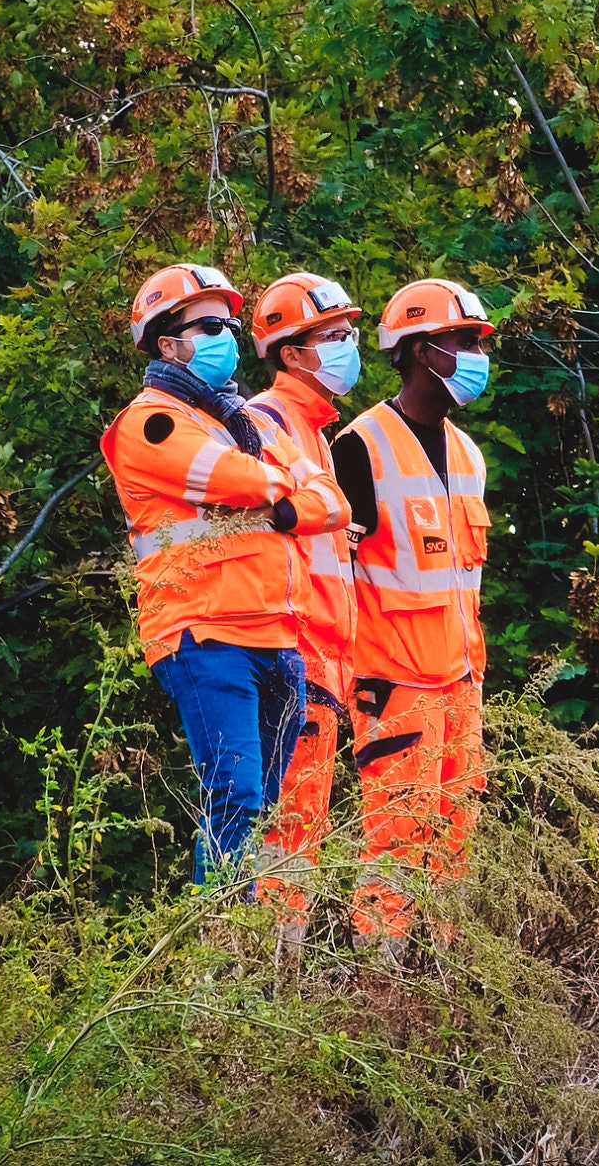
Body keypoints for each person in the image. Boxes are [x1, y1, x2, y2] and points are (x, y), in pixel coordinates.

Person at [100, 261, 351, 891]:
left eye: (230, 324)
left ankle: (243, 940)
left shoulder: (241, 419)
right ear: (167, 343)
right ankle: (216, 939)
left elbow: (332, 500)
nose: (227, 335)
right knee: (235, 791)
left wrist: (286, 493)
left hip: (275, 635)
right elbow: (239, 478)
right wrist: (283, 487)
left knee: (263, 804)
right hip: (203, 633)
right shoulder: (150, 421)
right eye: (209, 325)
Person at [329, 277, 495, 953]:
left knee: (456, 843)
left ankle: (442, 982)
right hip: (391, 684)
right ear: (421, 350)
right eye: (462, 341)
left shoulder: (467, 453)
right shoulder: (356, 447)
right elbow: (331, 578)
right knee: (396, 841)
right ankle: (380, 981)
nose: (476, 355)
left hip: (459, 684)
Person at [245, 272, 363, 948]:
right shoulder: (267, 420)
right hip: (294, 653)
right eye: (336, 336)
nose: (350, 347)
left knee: (300, 825)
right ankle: (260, 972)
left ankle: (273, 975)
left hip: (320, 662)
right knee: (284, 824)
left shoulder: (313, 431)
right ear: (291, 352)